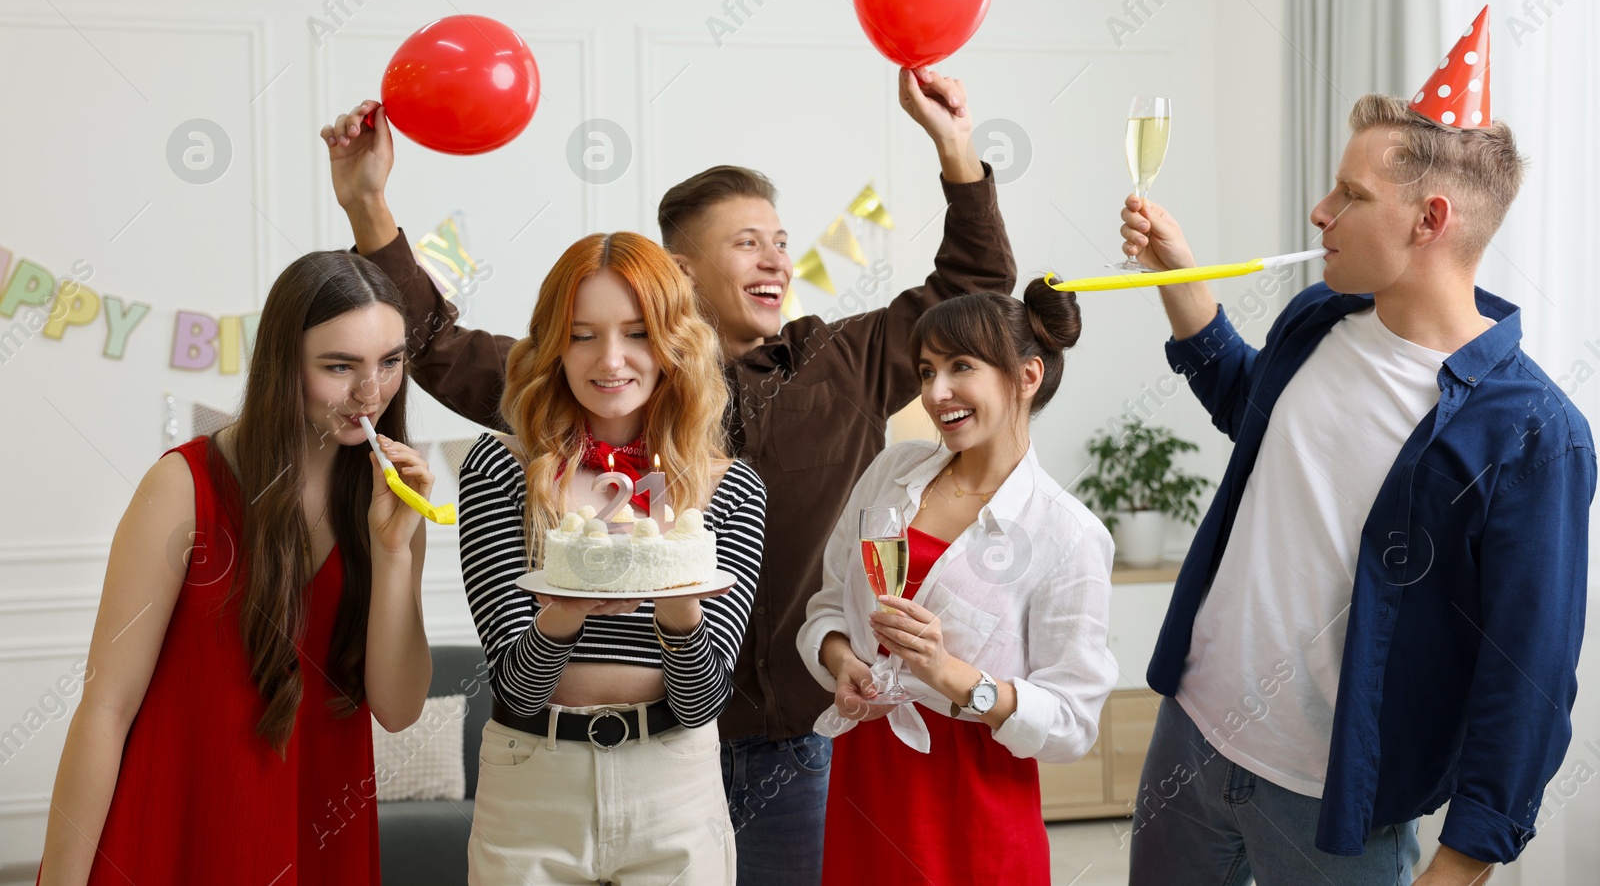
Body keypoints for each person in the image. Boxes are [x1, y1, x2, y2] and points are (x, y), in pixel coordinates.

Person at [320, 66, 1015, 884]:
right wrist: (369, 205)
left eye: (782, 239)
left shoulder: (843, 363)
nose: (776, 257)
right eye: (748, 241)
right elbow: (438, 346)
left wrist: (955, 147)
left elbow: (971, 295)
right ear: (680, 274)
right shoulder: (594, 381)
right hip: (605, 749)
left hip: (784, 746)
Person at [1117, 91, 1594, 884]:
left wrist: (1459, 864)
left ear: (1429, 220)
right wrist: (1178, 271)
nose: (1320, 210)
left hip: (1332, 808)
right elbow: (1249, 404)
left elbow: (1529, 677)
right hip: (1189, 735)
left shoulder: (1535, 435)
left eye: (1351, 195)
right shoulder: (1320, 317)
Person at [38, 252, 436, 885]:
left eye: (389, 362)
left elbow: (398, 707)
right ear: (284, 365)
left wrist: (392, 554)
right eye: (340, 367)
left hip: (318, 840)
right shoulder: (182, 486)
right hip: (175, 835)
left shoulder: (392, 504)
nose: (371, 393)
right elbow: (105, 708)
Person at [455, 232, 765, 884]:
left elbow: (702, 699)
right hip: (533, 782)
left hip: (674, 786)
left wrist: (679, 614)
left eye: (637, 331)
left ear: (672, 341)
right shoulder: (500, 469)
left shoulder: (731, 488)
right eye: (583, 333)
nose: (612, 358)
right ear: (553, 346)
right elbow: (515, 692)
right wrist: (561, 615)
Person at [797, 280, 1118, 885]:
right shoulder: (892, 471)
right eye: (926, 371)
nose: (936, 393)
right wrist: (843, 665)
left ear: (1026, 376)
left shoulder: (1067, 534)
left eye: (960, 367)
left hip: (973, 814)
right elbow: (827, 610)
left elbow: (1073, 723)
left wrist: (949, 675)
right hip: (865, 785)